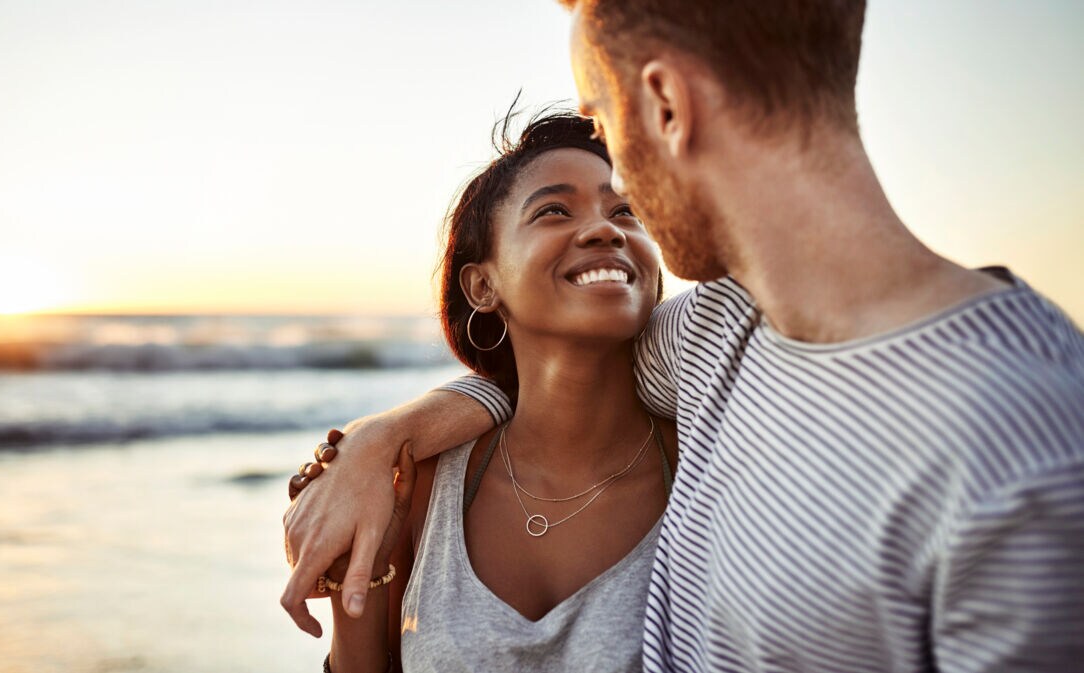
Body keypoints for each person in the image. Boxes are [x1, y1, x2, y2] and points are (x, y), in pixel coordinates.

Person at [283, 2, 1084, 671]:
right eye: (559, 207)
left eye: (603, 118)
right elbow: (543, 385)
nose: (616, 196)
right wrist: (375, 443)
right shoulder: (712, 337)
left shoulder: (1032, 458)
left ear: (665, 105)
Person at [296, 108, 678, 672]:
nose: (606, 228)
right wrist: (356, 574)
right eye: (554, 210)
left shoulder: (705, 464)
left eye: (625, 209)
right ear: (482, 285)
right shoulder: (420, 483)